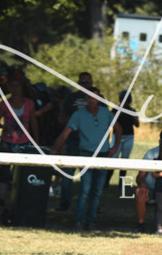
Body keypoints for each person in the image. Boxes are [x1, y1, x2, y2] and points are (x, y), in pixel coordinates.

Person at [51, 86, 120, 230]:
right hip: (86, 155)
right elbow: (65, 133)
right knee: (85, 190)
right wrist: (55, 149)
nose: (92, 100)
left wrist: (114, 147)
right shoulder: (79, 114)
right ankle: (78, 221)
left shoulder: (105, 113)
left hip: (103, 156)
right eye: (89, 97)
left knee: (97, 191)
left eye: (95, 97)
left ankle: (91, 221)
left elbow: (119, 129)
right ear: (85, 99)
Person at [0, 74, 39, 203]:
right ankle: (2, 197)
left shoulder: (29, 104)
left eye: (17, 86)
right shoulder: (4, 104)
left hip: (24, 141)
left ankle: (18, 196)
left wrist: (36, 141)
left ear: (22, 88)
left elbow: (33, 122)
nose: (15, 89)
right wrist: (3, 126)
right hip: (7, 141)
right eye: (12, 86)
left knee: (21, 170)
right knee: (4, 168)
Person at [56, 72, 93, 211]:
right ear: (78, 83)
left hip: (91, 143)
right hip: (73, 140)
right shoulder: (71, 98)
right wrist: (76, 122)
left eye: (88, 82)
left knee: (89, 175)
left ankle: (89, 204)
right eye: (83, 82)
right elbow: (62, 118)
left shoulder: (98, 97)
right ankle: (64, 202)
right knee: (68, 173)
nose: (86, 85)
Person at [112, 90, 139, 186]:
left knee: (125, 159)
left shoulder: (132, 111)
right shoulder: (115, 109)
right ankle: (106, 181)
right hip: (117, 137)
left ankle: (121, 183)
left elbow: (137, 124)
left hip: (129, 137)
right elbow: (112, 121)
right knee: (113, 158)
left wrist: (133, 116)